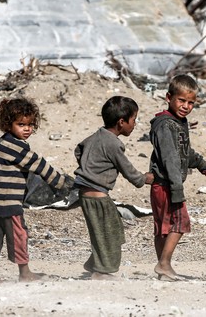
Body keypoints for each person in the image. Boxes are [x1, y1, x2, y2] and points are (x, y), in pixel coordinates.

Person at [0, 97, 70, 284]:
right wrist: (61, 183)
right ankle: (25, 273)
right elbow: (39, 165)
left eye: (30, 125)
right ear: (8, 124)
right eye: (21, 124)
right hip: (9, 203)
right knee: (19, 236)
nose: (27, 129)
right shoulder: (17, 147)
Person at [74, 96, 154, 280]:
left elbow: (78, 150)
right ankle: (101, 272)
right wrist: (144, 179)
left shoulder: (96, 136)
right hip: (97, 197)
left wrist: (88, 166)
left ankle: (94, 263)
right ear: (121, 122)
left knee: (112, 230)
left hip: (89, 195)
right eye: (134, 120)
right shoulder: (114, 144)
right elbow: (127, 170)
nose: (134, 124)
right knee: (107, 233)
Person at [149, 74, 206, 281]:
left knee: (163, 228)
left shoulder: (179, 123)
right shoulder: (166, 125)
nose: (186, 106)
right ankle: (164, 264)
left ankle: (163, 267)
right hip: (167, 185)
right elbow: (170, 158)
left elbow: (184, 152)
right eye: (181, 100)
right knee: (180, 223)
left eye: (191, 102)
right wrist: (177, 188)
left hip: (163, 185)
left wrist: (202, 164)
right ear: (169, 97)